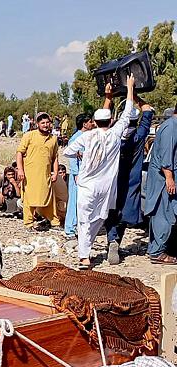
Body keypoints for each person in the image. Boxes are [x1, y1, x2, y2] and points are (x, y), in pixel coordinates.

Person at [63, 76, 136, 269]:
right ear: (111, 121)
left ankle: (84, 256)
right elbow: (127, 113)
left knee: (84, 221)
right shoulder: (115, 133)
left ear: (94, 122)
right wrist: (129, 89)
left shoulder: (87, 136)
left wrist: (82, 153)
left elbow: (67, 151)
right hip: (106, 187)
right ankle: (87, 249)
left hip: (87, 185)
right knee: (99, 218)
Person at [104, 91, 154, 264]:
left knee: (112, 211)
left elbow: (103, 121)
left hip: (112, 180)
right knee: (125, 212)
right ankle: (116, 241)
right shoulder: (139, 137)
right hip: (132, 182)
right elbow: (148, 111)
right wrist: (134, 96)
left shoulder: (113, 136)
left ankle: (112, 240)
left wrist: (109, 98)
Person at [143, 105, 177, 264]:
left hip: (166, 178)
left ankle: (157, 249)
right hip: (164, 180)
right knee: (165, 215)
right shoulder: (171, 128)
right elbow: (166, 156)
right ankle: (158, 252)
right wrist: (169, 178)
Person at [16, 112, 60, 232]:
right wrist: (20, 169)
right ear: (37, 124)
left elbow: (55, 157)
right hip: (30, 174)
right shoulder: (29, 136)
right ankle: (28, 223)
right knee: (30, 198)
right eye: (43, 123)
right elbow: (19, 153)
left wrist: (55, 172)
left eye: (47, 122)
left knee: (49, 197)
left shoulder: (53, 139)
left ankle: (54, 222)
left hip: (45, 174)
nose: (45, 125)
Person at [64, 113, 95, 239]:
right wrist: (75, 173)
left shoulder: (88, 136)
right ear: (84, 124)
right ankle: (70, 228)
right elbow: (72, 157)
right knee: (74, 201)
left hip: (87, 174)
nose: (92, 124)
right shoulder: (76, 138)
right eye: (90, 121)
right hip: (78, 175)